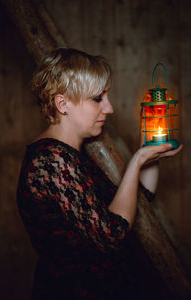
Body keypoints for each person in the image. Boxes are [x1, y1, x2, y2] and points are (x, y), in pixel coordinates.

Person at [17, 48, 182, 300]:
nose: (110, 108)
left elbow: (137, 202)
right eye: (97, 98)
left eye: (107, 96)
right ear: (62, 104)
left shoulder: (75, 154)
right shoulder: (52, 160)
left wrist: (147, 150)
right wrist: (136, 161)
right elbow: (112, 234)